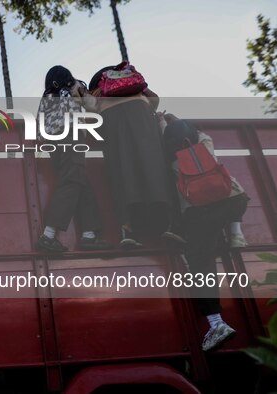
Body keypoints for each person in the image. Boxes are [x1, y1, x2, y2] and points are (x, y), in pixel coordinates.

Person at [163, 119, 249, 351]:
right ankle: (235, 232)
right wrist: (173, 119)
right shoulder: (205, 144)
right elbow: (193, 133)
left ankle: (216, 324)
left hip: (201, 212)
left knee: (201, 262)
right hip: (234, 201)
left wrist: (161, 123)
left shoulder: (171, 160)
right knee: (238, 195)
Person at [84, 65, 173, 248]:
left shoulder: (99, 89)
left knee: (122, 173)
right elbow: (154, 100)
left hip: (112, 122)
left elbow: (91, 111)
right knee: (153, 168)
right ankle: (166, 227)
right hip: (141, 117)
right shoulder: (133, 84)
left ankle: (128, 230)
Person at [35, 66, 111, 253]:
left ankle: (89, 235)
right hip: (71, 133)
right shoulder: (72, 87)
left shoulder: (47, 96)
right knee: (72, 180)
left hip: (52, 141)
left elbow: (38, 125)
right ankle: (48, 235)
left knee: (79, 181)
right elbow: (93, 106)